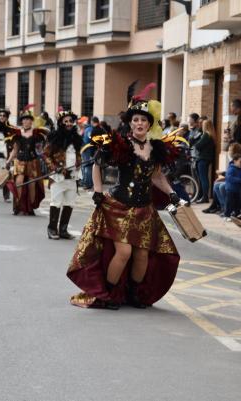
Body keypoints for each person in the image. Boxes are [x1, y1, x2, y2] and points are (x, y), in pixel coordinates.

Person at [67, 99, 182, 310]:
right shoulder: (120, 144)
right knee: (124, 252)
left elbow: (156, 176)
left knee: (142, 254)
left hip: (144, 210)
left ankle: (133, 294)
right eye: (135, 120)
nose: (139, 123)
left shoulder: (156, 148)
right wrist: (98, 192)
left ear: (149, 124)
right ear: (130, 123)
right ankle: (108, 294)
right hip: (119, 207)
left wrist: (172, 193)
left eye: (143, 120)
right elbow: (97, 165)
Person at [44, 110, 83, 239]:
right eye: (65, 121)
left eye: (71, 121)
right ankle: (52, 229)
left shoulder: (77, 138)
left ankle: (63, 230)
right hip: (58, 176)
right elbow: (46, 155)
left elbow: (77, 155)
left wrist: (79, 163)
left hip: (72, 176)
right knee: (56, 202)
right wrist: (54, 167)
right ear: (61, 123)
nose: (69, 123)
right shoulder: (54, 137)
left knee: (70, 203)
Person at [5, 106, 47, 216]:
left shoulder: (37, 134)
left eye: (28, 119)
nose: (25, 121)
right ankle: (18, 206)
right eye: (24, 119)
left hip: (33, 161)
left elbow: (40, 150)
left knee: (32, 184)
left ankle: (30, 207)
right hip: (20, 160)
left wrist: (46, 158)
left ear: (31, 121)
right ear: (22, 121)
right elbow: (15, 149)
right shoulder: (17, 134)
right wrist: (9, 160)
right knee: (18, 182)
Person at [191, 119, 216, 203]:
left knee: (203, 178)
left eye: (203, 125)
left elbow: (198, 146)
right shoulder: (211, 135)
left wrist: (195, 142)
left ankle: (205, 197)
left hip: (203, 159)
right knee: (204, 178)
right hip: (206, 159)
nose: (201, 126)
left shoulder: (206, 135)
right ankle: (203, 196)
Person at [223, 153, 241, 220]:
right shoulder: (231, 168)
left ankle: (238, 215)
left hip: (237, 190)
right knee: (229, 203)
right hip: (230, 190)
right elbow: (229, 178)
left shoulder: (240, 169)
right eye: (240, 162)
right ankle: (226, 215)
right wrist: (240, 180)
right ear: (235, 161)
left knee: (237, 203)